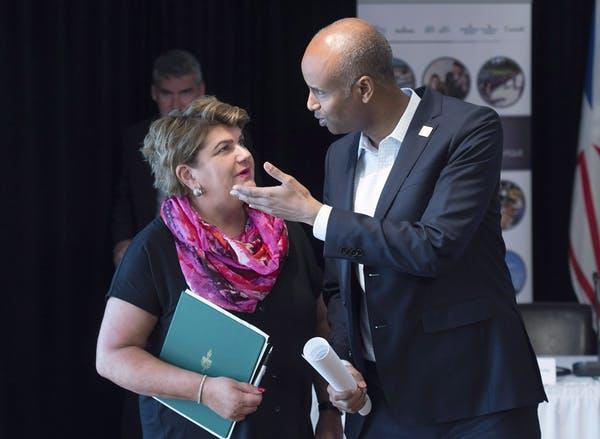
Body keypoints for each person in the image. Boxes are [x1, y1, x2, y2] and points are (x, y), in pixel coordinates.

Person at [231, 18, 546, 439]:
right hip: (384, 400)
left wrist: (315, 215)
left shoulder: (469, 129)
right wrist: (344, 362)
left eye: (320, 91)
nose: (309, 104)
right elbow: (340, 285)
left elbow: (434, 246)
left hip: (474, 396)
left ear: (363, 89)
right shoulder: (339, 156)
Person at [97, 96, 342, 438]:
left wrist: (329, 410)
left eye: (241, 142)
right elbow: (112, 356)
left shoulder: (285, 232)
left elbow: (318, 324)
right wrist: (203, 390)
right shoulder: (155, 248)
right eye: (224, 148)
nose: (244, 154)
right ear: (188, 175)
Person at [111, 49, 207, 267]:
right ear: (154, 93)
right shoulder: (136, 137)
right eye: (166, 93)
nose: (176, 104)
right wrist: (122, 243)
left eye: (185, 93)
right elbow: (124, 199)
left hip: (207, 249)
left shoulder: (220, 138)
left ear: (200, 91)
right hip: (151, 247)